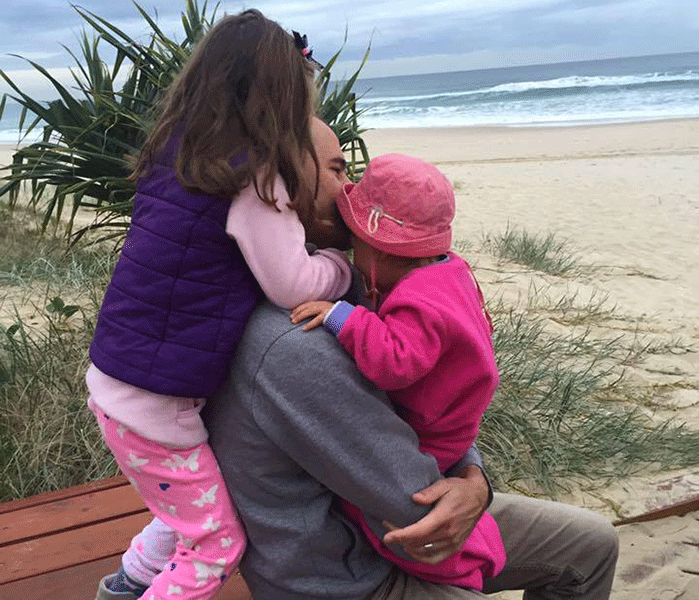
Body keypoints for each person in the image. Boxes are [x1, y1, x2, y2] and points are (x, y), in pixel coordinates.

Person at [201, 120, 619, 600]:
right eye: (337, 169)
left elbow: (431, 399)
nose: (347, 189)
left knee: (593, 546)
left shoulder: (340, 282)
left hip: (392, 514)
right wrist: (470, 490)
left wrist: (474, 478)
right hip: (352, 577)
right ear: (281, 187)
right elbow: (412, 500)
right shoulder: (293, 339)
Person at [88, 11, 352, 600]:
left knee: (189, 505)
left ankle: (125, 585)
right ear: (287, 96)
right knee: (215, 545)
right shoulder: (259, 180)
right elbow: (293, 284)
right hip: (155, 404)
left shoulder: (177, 156)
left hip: (118, 379)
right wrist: (342, 269)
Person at [290, 153, 505, 590]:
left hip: (432, 435)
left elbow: (395, 362)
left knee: (385, 513)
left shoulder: (415, 300)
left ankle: (467, 565)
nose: (352, 247)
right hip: (458, 427)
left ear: (383, 248)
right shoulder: (452, 272)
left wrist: (343, 317)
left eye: (357, 242)